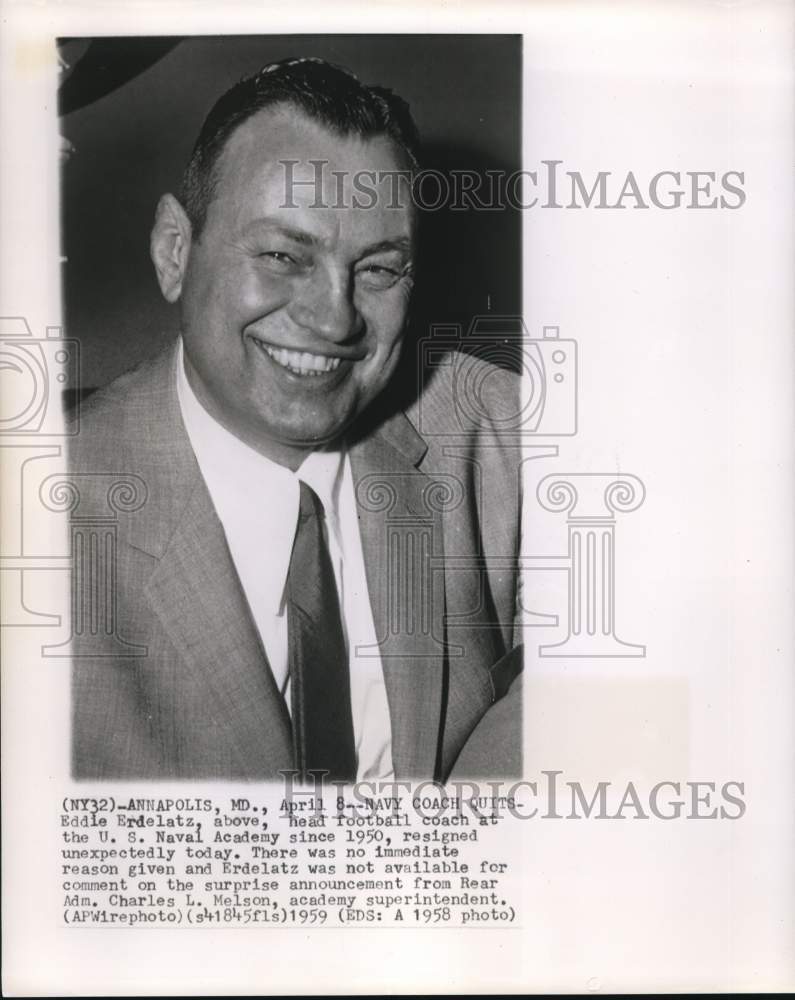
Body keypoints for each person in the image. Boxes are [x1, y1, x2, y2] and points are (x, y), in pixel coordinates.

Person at [69, 57, 522, 782]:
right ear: (173, 251)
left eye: (377, 269)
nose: (334, 318)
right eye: (283, 255)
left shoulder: (499, 431)